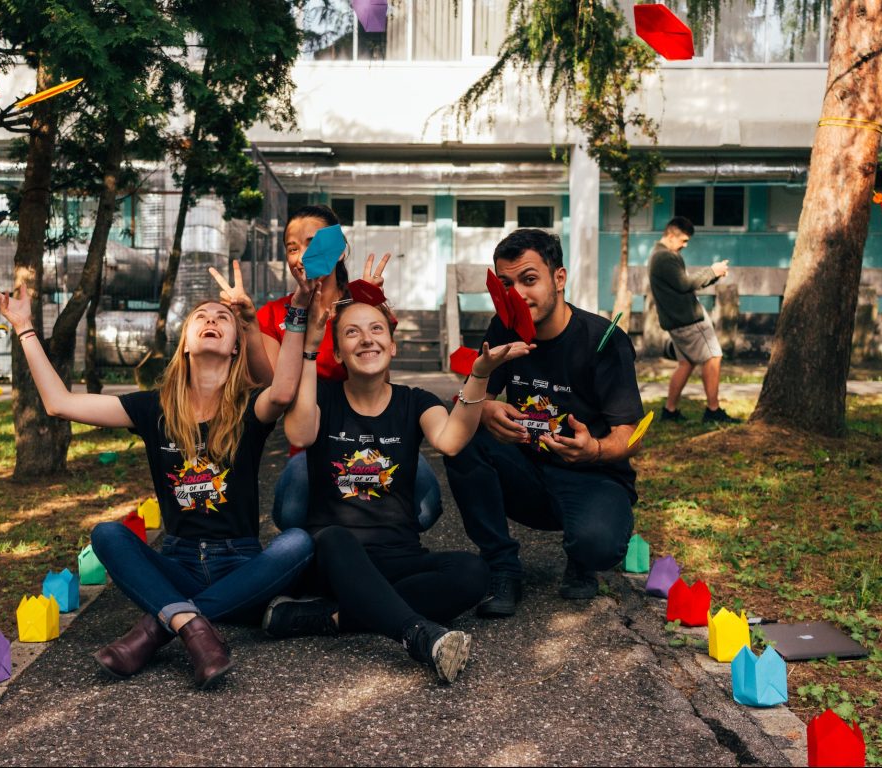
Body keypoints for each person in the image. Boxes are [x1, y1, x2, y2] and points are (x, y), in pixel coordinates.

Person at [0, 262, 320, 689]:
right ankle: (192, 624)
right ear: (186, 347)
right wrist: (25, 328)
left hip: (242, 563)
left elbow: (284, 391)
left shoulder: (251, 407)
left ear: (235, 347)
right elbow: (59, 403)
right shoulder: (152, 408)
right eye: (201, 318)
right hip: (176, 561)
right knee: (107, 534)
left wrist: (297, 308)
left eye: (222, 319)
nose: (211, 320)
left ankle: (156, 628)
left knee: (298, 544)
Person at [263, 295, 531, 682]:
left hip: (398, 556)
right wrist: (307, 350)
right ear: (337, 352)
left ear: (393, 345)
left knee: (473, 572)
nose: (366, 340)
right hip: (333, 559)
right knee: (334, 537)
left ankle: (327, 617)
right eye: (351, 333)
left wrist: (481, 373)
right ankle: (417, 634)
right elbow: (299, 434)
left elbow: (452, 440)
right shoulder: (322, 397)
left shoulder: (415, 401)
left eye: (376, 330)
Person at [443, 228, 645, 616]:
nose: (517, 294)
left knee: (598, 545)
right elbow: (473, 392)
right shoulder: (504, 328)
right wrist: (484, 410)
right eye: (506, 284)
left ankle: (581, 558)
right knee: (461, 434)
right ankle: (502, 566)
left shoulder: (603, 340)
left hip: (593, 475)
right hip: (528, 472)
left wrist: (596, 449)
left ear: (559, 278)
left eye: (529, 279)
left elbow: (631, 435)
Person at [256, 204, 442, 533]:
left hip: (377, 439)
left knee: (426, 506)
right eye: (292, 248)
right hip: (312, 442)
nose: (301, 256)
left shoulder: (363, 302)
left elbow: (380, 380)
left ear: (338, 250)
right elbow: (278, 395)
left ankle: (378, 548)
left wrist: (366, 307)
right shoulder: (273, 315)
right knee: (292, 515)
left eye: (312, 243)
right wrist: (296, 321)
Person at [647, 216, 740, 424]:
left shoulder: (661, 255)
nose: (685, 245)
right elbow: (684, 284)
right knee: (713, 357)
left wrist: (713, 275)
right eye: (683, 241)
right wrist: (712, 271)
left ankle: (669, 411)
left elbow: (681, 284)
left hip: (676, 321)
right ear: (671, 236)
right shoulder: (664, 258)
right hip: (689, 321)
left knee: (686, 363)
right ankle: (713, 411)